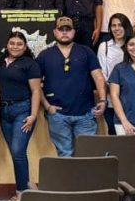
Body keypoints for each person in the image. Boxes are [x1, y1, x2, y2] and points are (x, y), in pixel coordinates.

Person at [36, 16, 107, 157]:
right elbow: (35, 85)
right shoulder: (44, 55)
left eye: (68, 29)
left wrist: (103, 100)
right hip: (58, 116)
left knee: (88, 156)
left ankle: (85, 180)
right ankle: (68, 180)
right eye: (60, 29)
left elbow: (98, 76)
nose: (64, 32)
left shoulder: (86, 52)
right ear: (54, 32)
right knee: (64, 155)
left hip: (86, 115)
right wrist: (47, 106)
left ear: (74, 32)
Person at [0, 31, 42, 201]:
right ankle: (22, 190)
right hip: (3, 112)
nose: (15, 46)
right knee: (15, 154)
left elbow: (36, 91)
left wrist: (33, 115)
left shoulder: (30, 64)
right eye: (12, 43)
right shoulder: (0, 63)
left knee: (18, 152)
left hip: (22, 111)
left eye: (19, 44)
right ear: (7, 45)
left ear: (25, 46)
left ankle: (23, 196)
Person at [96, 13, 134, 134]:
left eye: (120, 25)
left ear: (126, 27)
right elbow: (102, 73)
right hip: (111, 100)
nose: (116, 28)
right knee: (114, 135)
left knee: (133, 137)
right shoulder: (104, 46)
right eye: (113, 25)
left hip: (133, 101)